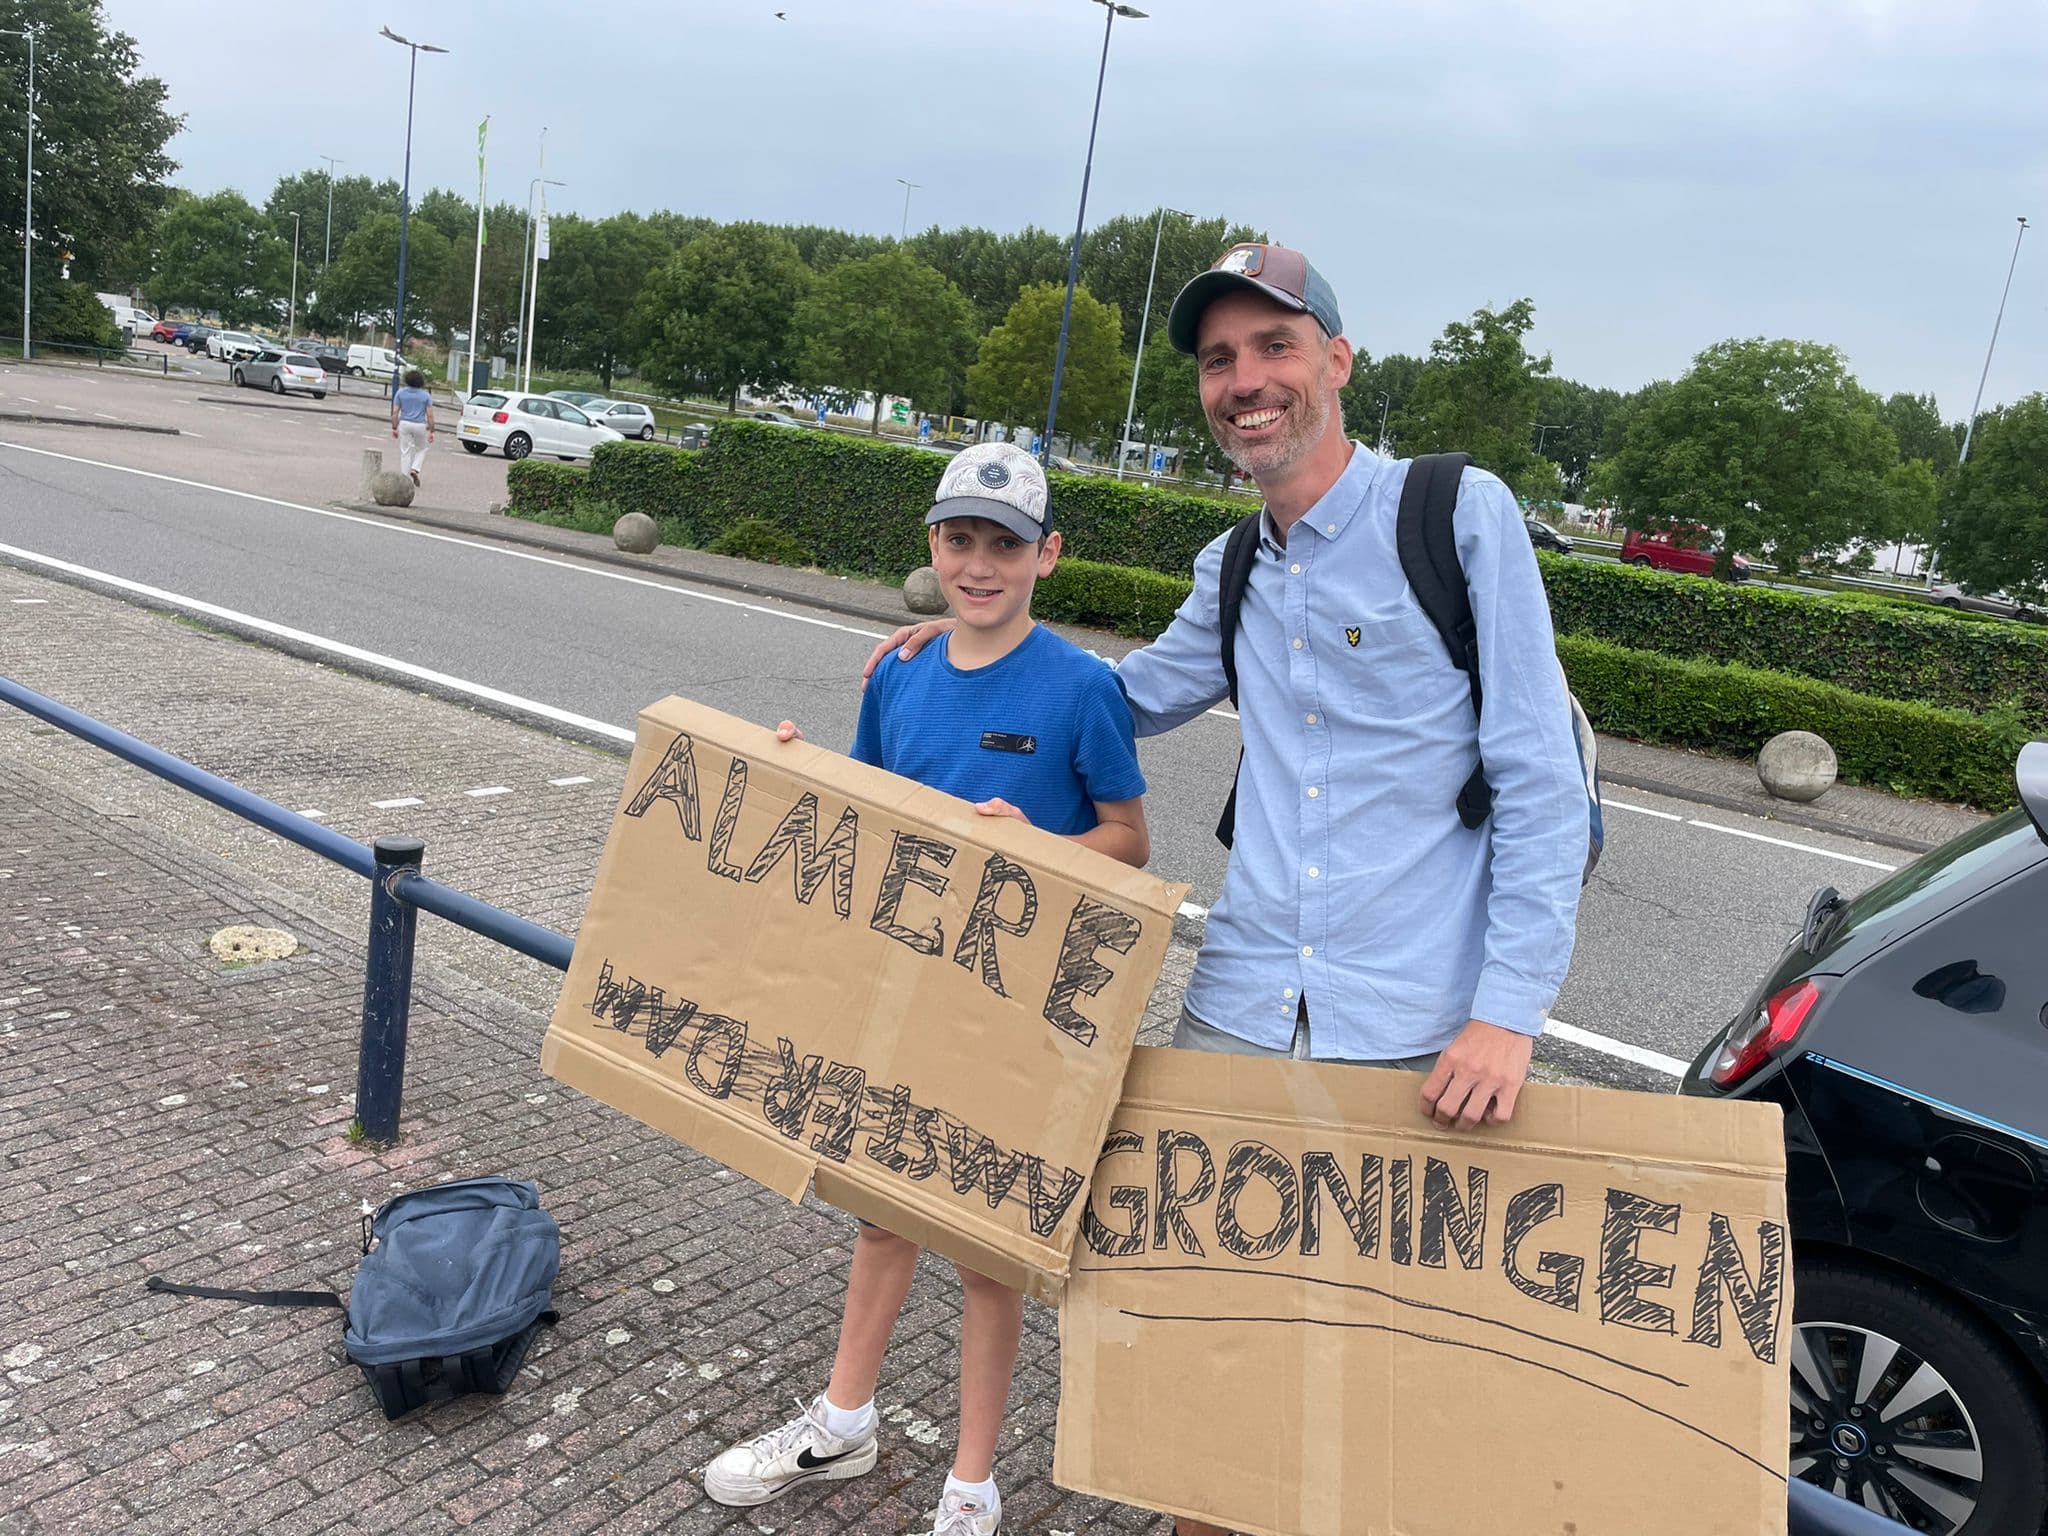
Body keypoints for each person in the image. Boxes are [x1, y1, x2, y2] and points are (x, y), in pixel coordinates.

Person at [870, 246, 1588, 1533]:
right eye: (1217, 360)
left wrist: (1509, 1010)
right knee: (1207, 1328)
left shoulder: (1454, 513)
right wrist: (979, 647)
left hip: (1416, 1023)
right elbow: (1121, 702)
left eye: (1273, 347)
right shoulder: (1234, 566)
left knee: (1370, 1349)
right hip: (1243, 1000)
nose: (1244, 381)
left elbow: (1540, 779)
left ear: (1335, 363)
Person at [703, 441, 1150, 1536]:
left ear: (1047, 555)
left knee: (986, 1250)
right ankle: (842, 1421)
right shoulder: (896, 671)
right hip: (901, 988)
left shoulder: (1085, 688)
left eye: (1004, 544)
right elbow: (866, 809)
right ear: (931, 547)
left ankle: (972, 1482)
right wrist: (796, 773)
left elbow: (1131, 841)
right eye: (960, 540)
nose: (979, 563)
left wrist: (1042, 843)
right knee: (879, 1216)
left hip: (1016, 1010)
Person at [389, 369, 435, 486]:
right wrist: (432, 431)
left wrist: (394, 427)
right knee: (421, 449)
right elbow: (429, 415)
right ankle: (415, 468)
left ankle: (404, 478)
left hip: (404, 423)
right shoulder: (426, 396)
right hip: (420, 424)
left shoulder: (400, 393)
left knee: (405, 451)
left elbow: (395, 412)